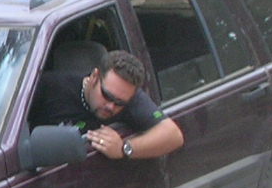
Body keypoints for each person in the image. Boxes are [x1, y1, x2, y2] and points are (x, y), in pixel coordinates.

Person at [29, 49, 184, 160]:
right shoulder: (50, 87)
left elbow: (173, 135)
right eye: (106, 95)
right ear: (94, 77)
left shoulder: (128, 96)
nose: (111, 106)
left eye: (119, 103)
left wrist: (124, 148)